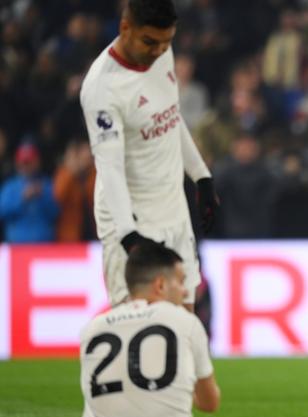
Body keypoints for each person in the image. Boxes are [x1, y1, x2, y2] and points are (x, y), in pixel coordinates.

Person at [16, 243, 308, 417]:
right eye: (180, 281)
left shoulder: (92, 328)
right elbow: (209, 403)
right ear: (160, 284)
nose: (186, 289)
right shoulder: (184, 322)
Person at [79, 0, 218, 310]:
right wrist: (130, 237)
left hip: (172, 209)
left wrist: (201, 176)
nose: (158, 51)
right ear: (125, 28)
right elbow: (110, 167)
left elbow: (170, 117)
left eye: (167, 42)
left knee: (186, 321)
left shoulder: (162, 52)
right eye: (150, 42)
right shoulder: (103, 89)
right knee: (136, 329)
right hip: (131, 216)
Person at [0, 143, 60, 243]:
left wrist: (42, 196)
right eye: (23, 162)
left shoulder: (46, 184)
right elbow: (2, 212)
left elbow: (56, 213)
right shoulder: (10, 186)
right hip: (17, 246)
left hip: (44, 246)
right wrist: (22, 198)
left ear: (37, 162)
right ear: (17, 163)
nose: (26, 166)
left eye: (29, 162)